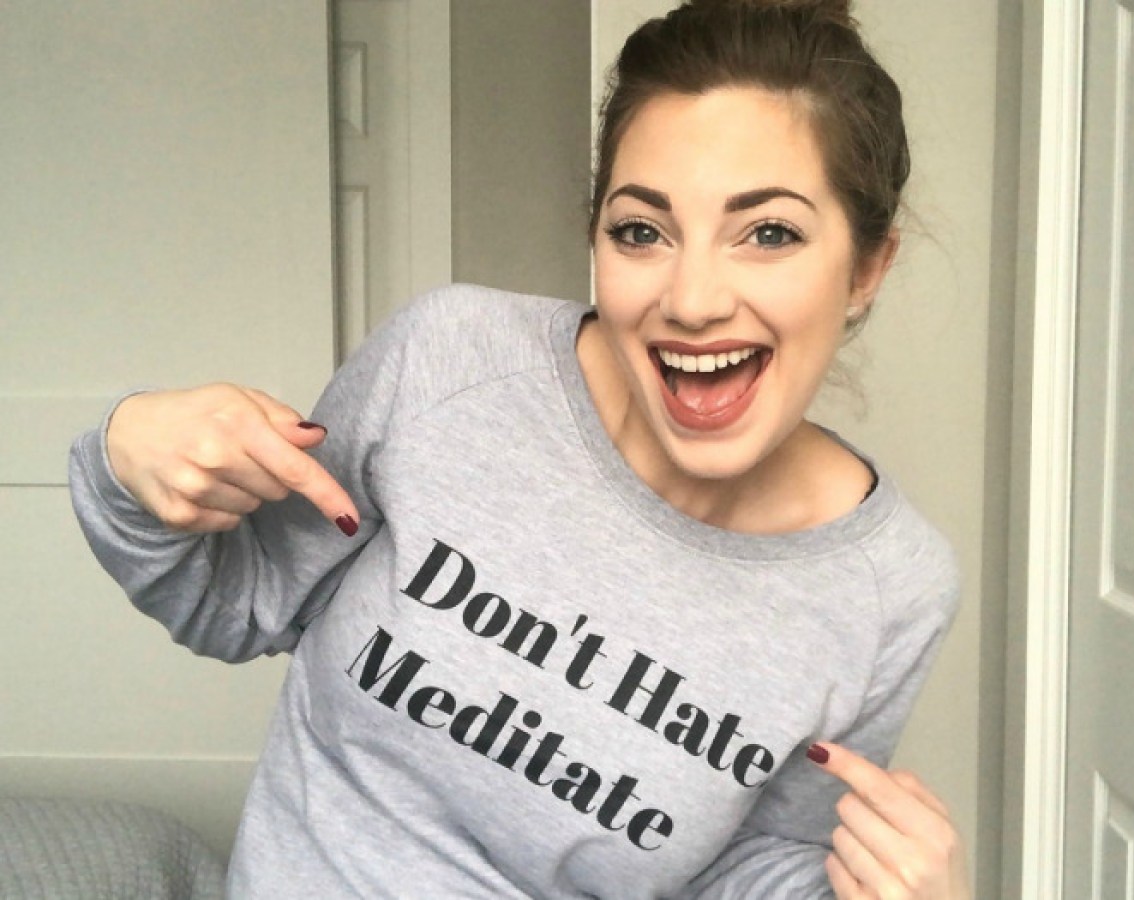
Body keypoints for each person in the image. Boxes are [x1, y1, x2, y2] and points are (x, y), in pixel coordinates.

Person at [69, 0, 971, 896]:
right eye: (641, 231)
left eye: (768, 233)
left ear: (865, 268)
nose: (693, 298)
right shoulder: (451, 361)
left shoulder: (891, 587)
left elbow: (752, 866)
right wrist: (124, 462)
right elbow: (240, 598)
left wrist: (874, 890)